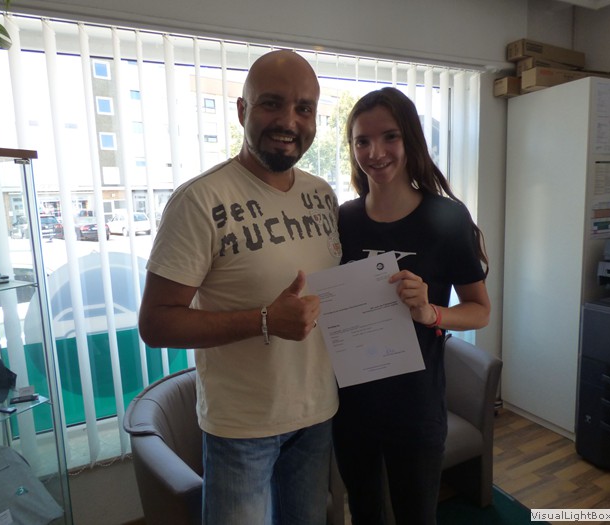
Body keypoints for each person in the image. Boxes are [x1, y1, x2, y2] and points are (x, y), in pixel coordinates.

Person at [138, 50, 342, 525]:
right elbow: (156, 323)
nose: (289, 121)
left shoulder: (322, 195)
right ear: (242, 110)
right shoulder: (199, 200)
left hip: (317, 415)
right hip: (241, 429)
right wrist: (265, 320)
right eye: (272, 103)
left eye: (304, 108)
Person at [332, 87, 491, 525]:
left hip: (415, 406)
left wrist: (430, 313)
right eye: (362, 141)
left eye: (390, 137)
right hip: (351, 405)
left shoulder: (446, 218)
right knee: (364, 514)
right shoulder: (343, 220)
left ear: (410, 140)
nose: (375, 152)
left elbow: (479, 309)